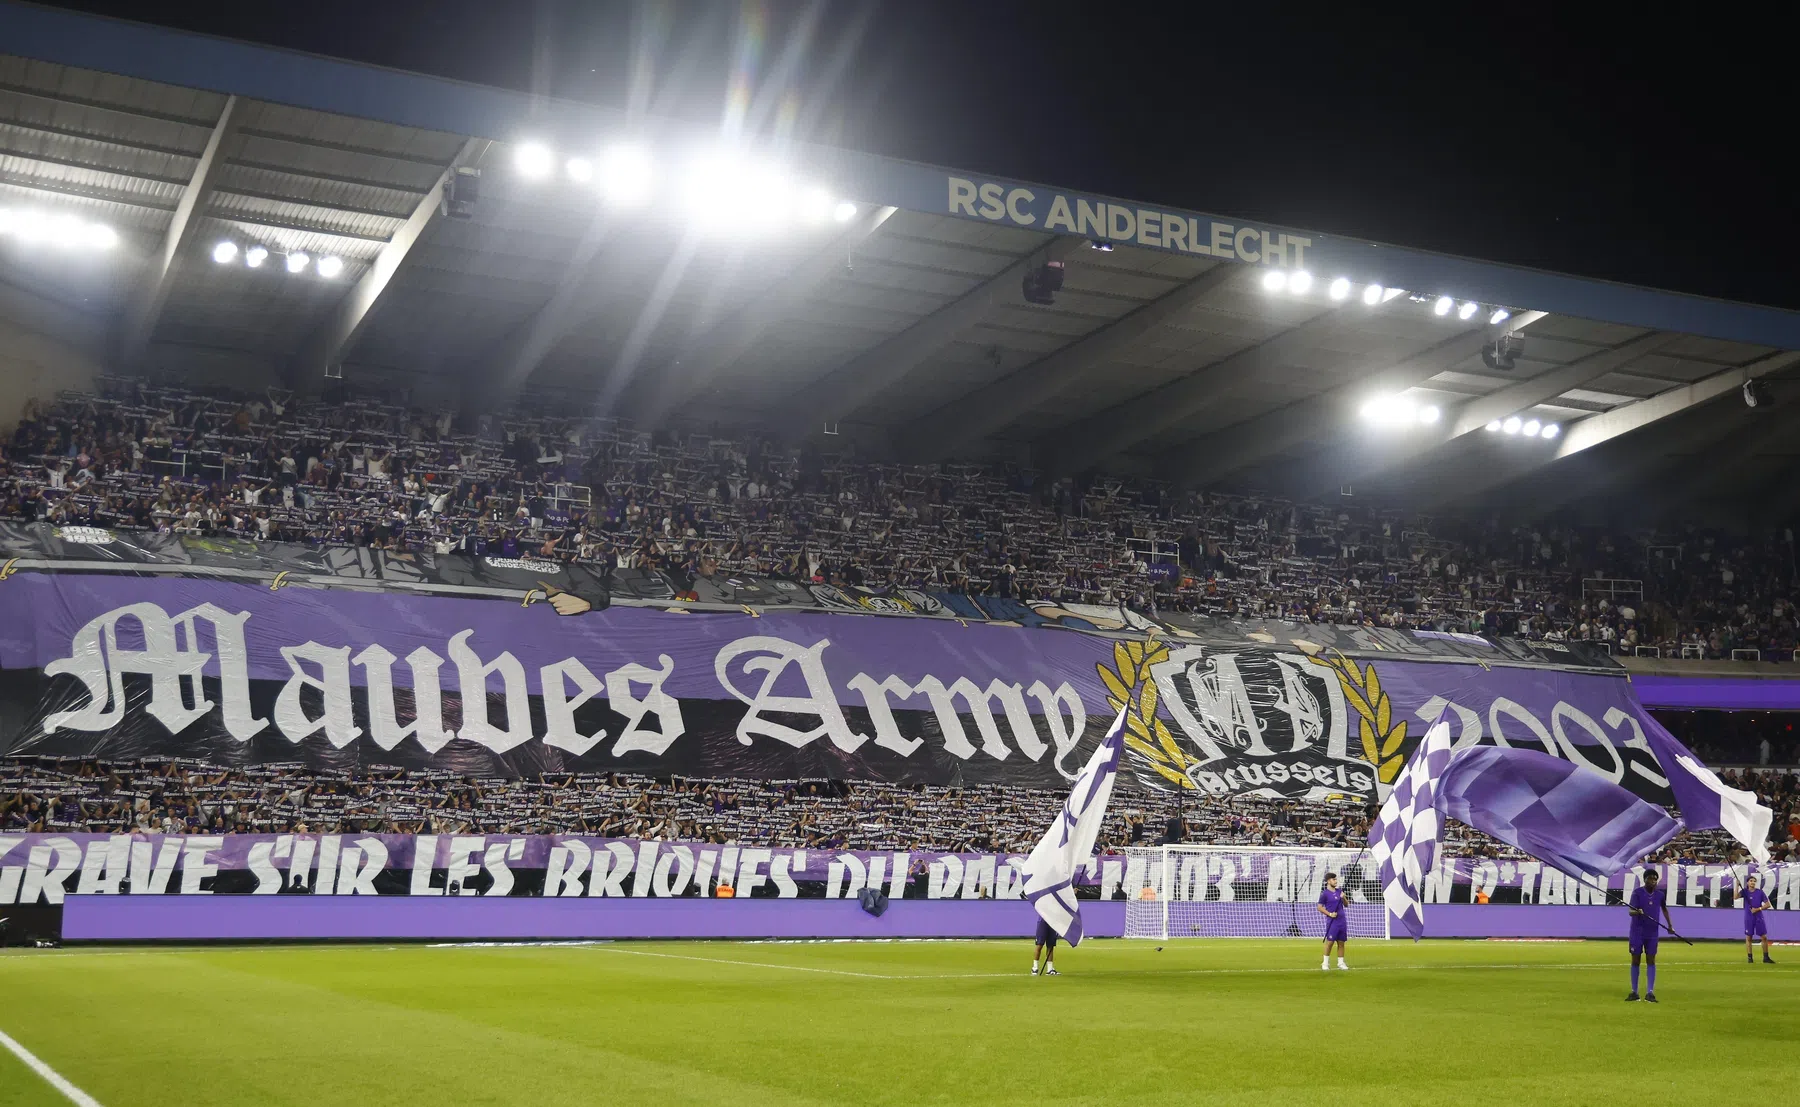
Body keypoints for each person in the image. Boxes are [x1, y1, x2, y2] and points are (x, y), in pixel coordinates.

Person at [1626, 868, 1673, 1002]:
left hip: (1652, 933)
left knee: (1651, 960)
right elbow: (1630, 911)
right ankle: (1634, 992)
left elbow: (1664, 909)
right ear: (1645, 880)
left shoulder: (1660, 895)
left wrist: (1670, 925)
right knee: (1635, 960)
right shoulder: (1637, 893)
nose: (1652, 881)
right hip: (1637, 932)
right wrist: (1637, 912)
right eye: (1650, 878)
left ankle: (1650, 993)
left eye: (1655, 879)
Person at [1317, 872, 1349, 970]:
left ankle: (1341, 963)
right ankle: (1325, 963)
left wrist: (1343, 897)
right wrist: (1330, 914)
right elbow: (1319, 907)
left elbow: (1346, 904)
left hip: (1341, 920)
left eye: (1336, 879)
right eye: (1333, 879)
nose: (1335, 881)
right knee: (1330, 942)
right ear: (1328, 881)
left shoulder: (1340, 891)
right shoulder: (1324, 894)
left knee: (1341, 943)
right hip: (1332, 921)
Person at [1742, 875, 1776, 964]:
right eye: (1751, 881)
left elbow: (1768, 904)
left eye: (1754, 881)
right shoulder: (1744, 892)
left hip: (1758, 916)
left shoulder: (1760, 892)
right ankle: (1750, 958)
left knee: (1764, 937)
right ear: (1747, 883)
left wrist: (1758, 909)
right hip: (1749, 917)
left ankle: (1766, 957)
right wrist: (1737, 885)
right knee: (1749, 937)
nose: (1752, 882)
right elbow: (1735, 897)